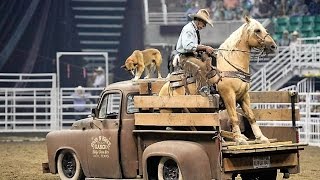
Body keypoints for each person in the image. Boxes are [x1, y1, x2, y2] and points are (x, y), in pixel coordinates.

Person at [175, 9, 215, 92]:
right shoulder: (188, 29)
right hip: (185, 58)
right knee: (202, 67)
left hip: (192, 56)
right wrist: (205, 47)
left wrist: (205, 50)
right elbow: (187, 46)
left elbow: (195, 46)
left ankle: (211, 85)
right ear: (199, 21)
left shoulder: (194, 30)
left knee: (209, 62)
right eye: (204, 24)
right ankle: (203, 89)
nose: (203, 27)